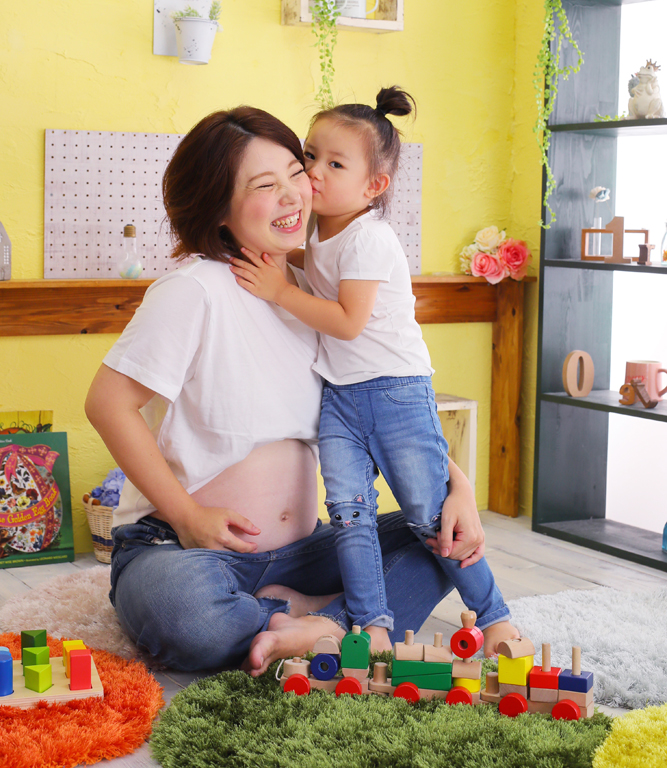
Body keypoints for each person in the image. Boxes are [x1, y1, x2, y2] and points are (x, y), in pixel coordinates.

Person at [85, 106, 490, 675]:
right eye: (263, 185)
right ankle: (330, 621)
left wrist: (457, 486)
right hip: (189, 549)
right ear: (217, 206)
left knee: (447, 543)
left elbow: (376, 399)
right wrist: (187, 516)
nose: (293, 194)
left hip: (307, 549)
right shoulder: (193, 289)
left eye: (296, 172)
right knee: (185, 614)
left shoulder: (310, 295)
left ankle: (317, 621)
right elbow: (108, 404)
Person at [230, 89, 516, 656]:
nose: (314, 172)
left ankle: (496, 619)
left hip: (394, 392)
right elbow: (315, 270)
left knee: (429, 516)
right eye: (310, 155)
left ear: (373, 186)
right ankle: (371, 628)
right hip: (340, 397)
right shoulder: (319, 230)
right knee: (349, 516)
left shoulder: (370, 237)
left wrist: (280, 290)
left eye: (335, 164)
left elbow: (347, 321)